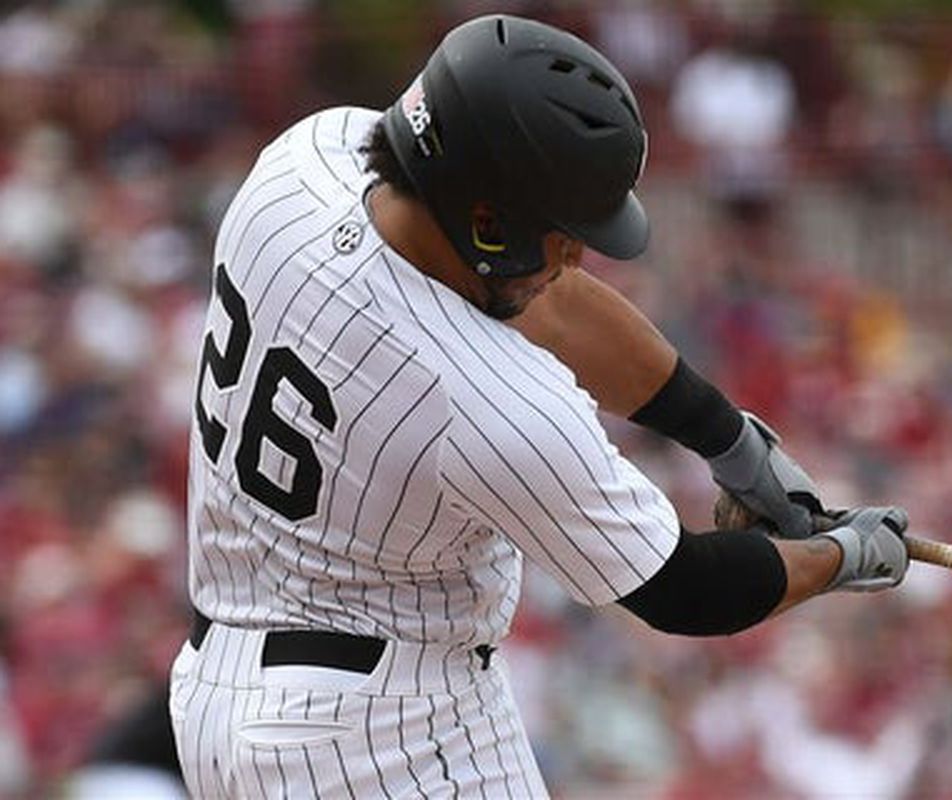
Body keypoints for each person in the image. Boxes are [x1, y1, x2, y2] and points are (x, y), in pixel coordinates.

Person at [169, 14, 909, 797]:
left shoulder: (304, 161)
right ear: (487, 221)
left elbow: (546, 305)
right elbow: (686, 589)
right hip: (378, 736)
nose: (575, 254)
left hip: (225, 689)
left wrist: (729, 440)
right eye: (564, 232)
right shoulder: (487, 399)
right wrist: (842, 559)